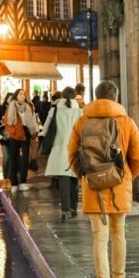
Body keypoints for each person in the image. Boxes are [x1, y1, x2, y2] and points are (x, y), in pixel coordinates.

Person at [68, 79, 139, 278]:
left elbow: (72, 154)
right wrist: (128, 175)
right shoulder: (126, 121)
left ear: (96, 96)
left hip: (93, 188)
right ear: (116, 97)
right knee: (118, 234)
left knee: (99, 239)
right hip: (119, 184)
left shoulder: (82, 121)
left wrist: (85, 176)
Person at [41, 86, 80, 219]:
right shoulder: (79, 110)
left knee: (64, 178)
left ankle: (65, 209)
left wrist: (41, 134)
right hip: (76, 147)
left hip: (60, 146)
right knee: (74, 178)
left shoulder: (55, 109)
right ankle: (74, 208)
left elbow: (46, 128)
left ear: (62, 96)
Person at [5, 88, 39, 192]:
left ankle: (23, 182)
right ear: (16, 96)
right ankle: (14, 183)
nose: (22, 96)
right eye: (20, 94)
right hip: (15, 133)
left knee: (25, 159)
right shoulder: (12, 106)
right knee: (13, 158)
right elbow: (7, 121)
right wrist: (13, 132)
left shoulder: (28, 106)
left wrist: (34, 131)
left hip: (26, 132)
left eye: (24, 94)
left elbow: (32, 120)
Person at [0, 91, 13, 182]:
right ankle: (5, 176)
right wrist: (2, 123)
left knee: (12, 157)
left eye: (12, 99)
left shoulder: (14, 109)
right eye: (10, 98)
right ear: (6, 99)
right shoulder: (2, 109)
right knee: (6, 157)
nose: (11, 100)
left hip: (13, 136)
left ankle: (10, 175)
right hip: (4, 136)